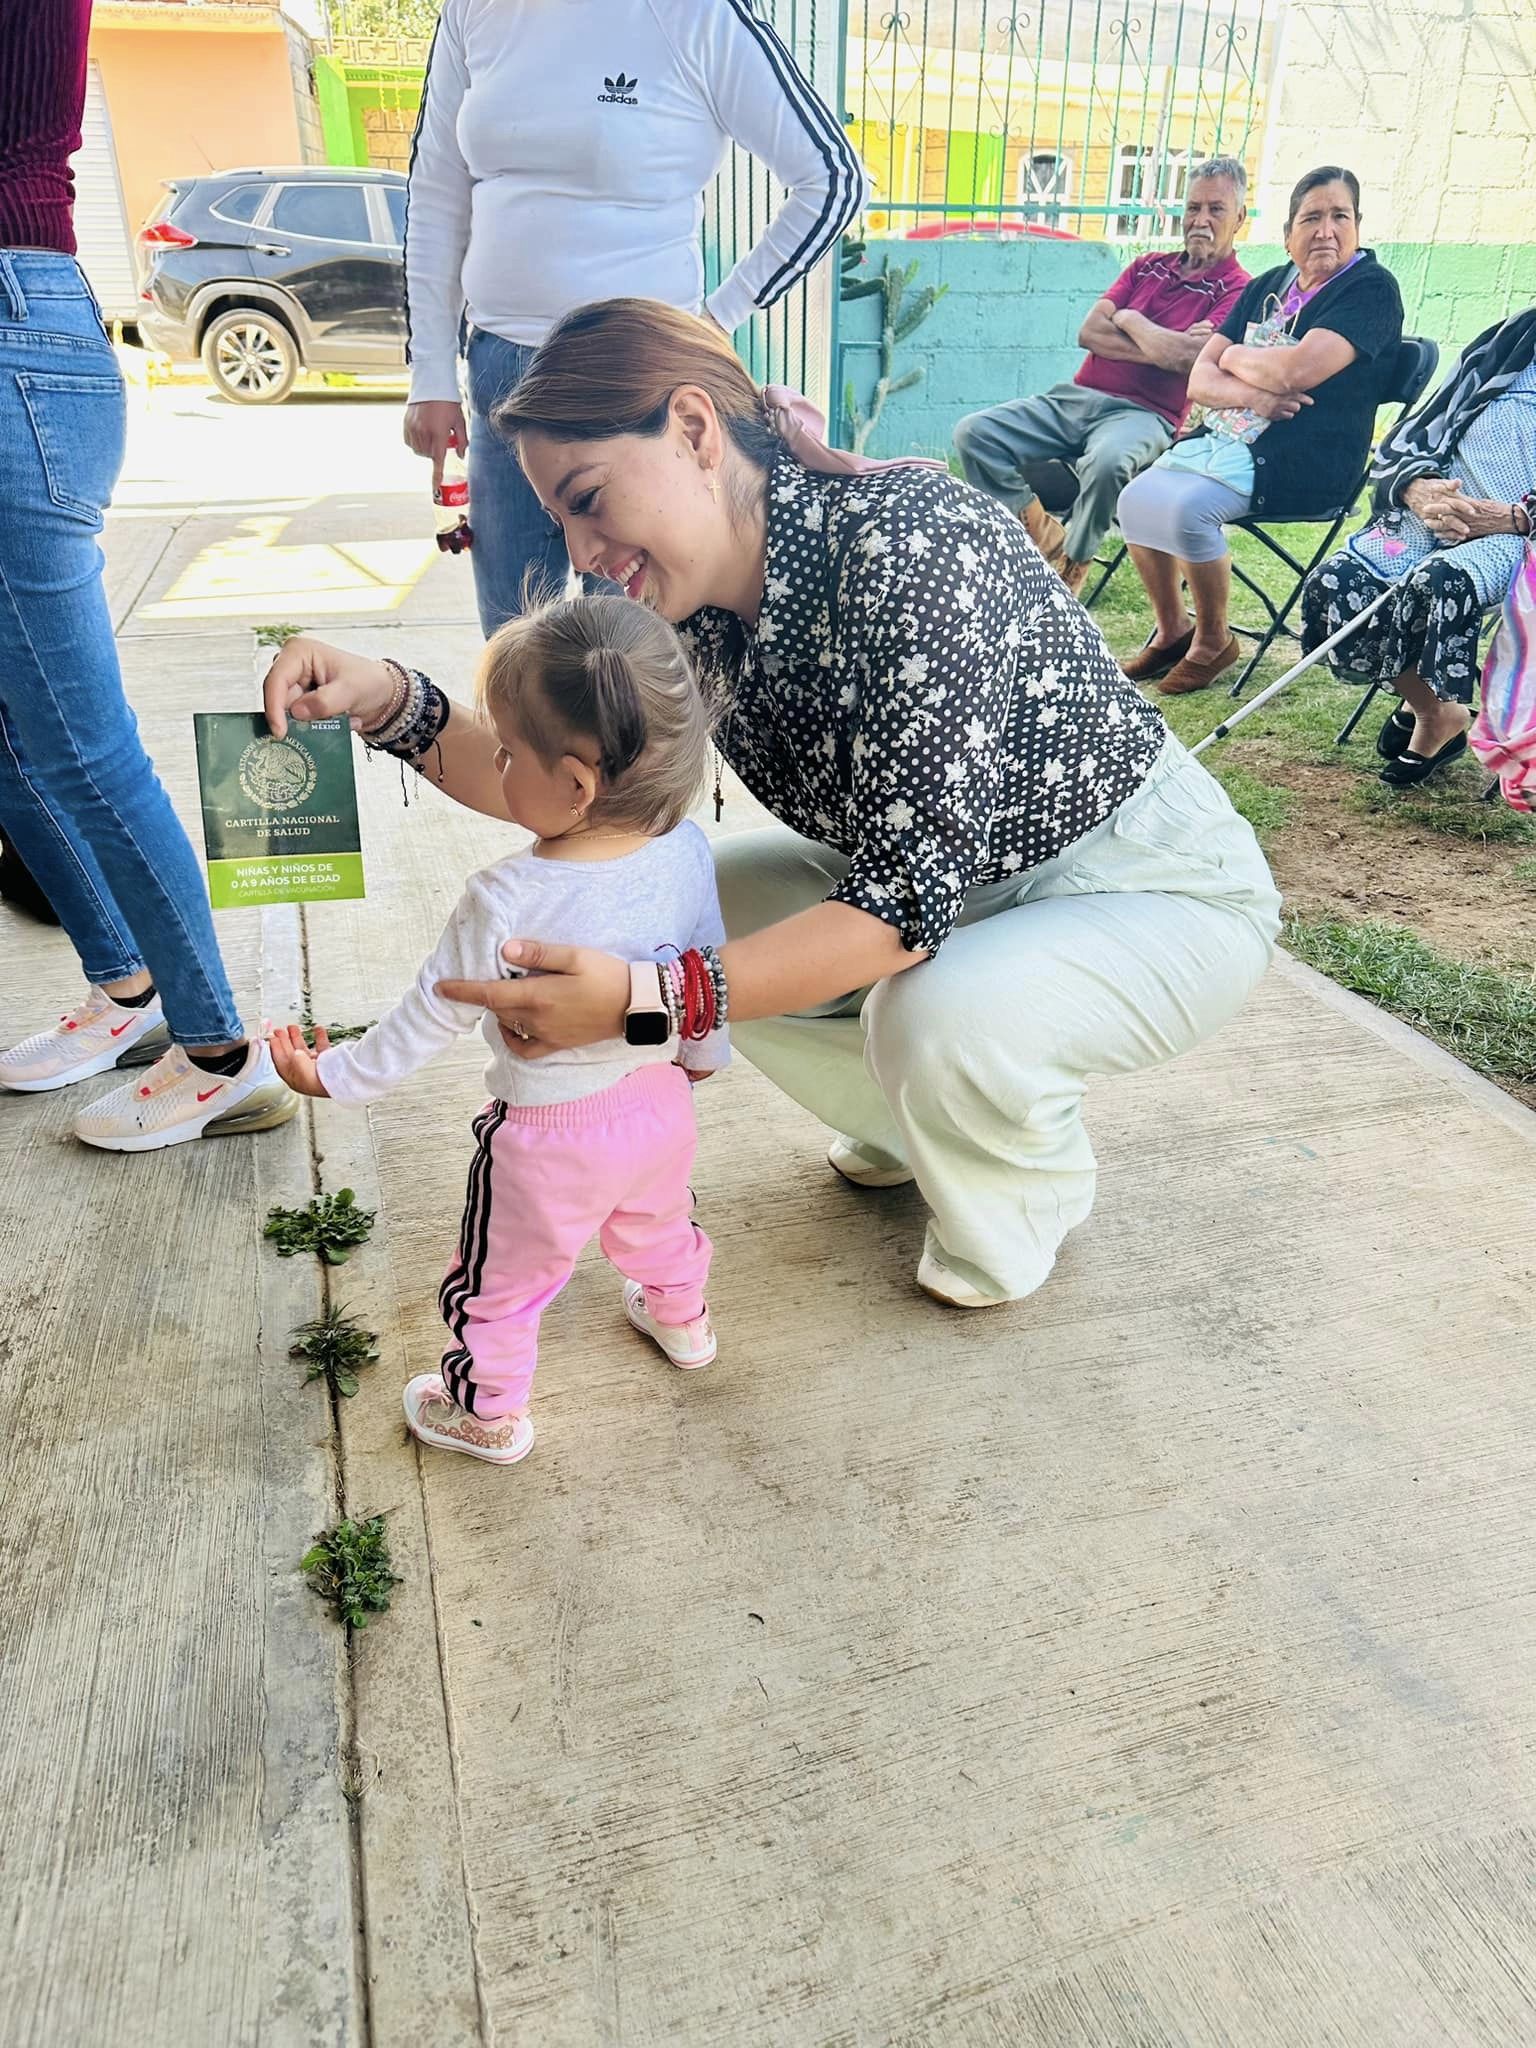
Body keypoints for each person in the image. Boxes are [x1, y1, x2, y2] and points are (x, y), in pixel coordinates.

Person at [264, 299, 1281, 1312]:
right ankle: (915, 1119)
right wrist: (386, 698)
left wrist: (638, 999)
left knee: (929, 1012)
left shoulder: (911, 545)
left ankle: (1028, 1192)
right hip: (960, 883)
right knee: (681, 906)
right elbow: (560, 779)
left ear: (696, 430)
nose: (581, 550)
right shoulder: (686, 607)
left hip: (1149, 885)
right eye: (561, 519)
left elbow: (897, 912)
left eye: (589, 498)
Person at [270, 595, 727, 1467]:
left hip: (549, 1138)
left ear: (575, 785)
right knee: (660, 1221)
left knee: (499, 1286)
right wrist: (701, 1057)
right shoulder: (686, 848)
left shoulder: (505, 897)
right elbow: (704, 967)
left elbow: (431, 1010)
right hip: (662, 1102)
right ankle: (683, 1321)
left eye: (508, 752)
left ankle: (485, 1410)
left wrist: (337, 1075)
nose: (498, 765)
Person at [0, 0, 294, 1148]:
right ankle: (128, 992)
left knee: (76, 739)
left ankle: (220, 1048)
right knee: (16, 743)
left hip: (15, 327)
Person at [403, 0, 866, 636]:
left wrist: (716, 318)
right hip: (500, 372)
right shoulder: (474, 10)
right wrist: (429, 372)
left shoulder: (697, 16)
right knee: (514, 647)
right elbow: (435, 190)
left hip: (633, 394)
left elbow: (833, 179)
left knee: (636, 654)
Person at [1116, 166, 1404, 695]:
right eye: (1311, 218)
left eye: (1339, 216)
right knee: (1135, 500)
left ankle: (1213, 640)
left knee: (1186, 510)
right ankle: (1174, 628)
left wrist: (1239, 358)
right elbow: (1201, 378)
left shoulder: (1370, 290)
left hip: (1305, 460)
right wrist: (1255, 390)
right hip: (1228, 439)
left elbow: (1296, 372)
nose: (1325, 231)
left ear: (1358, 225)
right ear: (1288, 233)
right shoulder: (1270, 284)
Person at [952, 158, 1250, 595]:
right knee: (974, 434)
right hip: (1076, 397)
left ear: (1239, 217)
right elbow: (1089, 332)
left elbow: (1190, 359)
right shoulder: (1147, 265)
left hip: (1146, 416)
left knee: (1107, 462)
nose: (1200, 220)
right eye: (1193, 207)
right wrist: (1162, 344)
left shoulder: (1238, 288)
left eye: (1216, 210)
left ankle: (1070, 567)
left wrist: (1129, 319)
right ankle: (1040, 535)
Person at [1300, 306, 1536, 785]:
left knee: (1439, 581)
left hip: (1517, 532)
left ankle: (1431, 719)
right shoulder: (1516, 336)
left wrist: (1512, 517)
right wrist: (1416, 487)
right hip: (1431, 510)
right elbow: (1420, 429)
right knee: (1336, 584)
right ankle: (1434, 705)